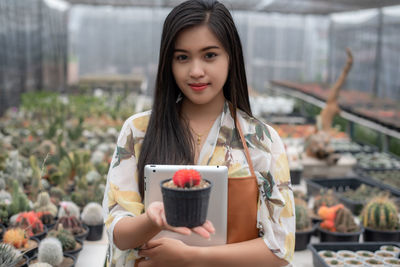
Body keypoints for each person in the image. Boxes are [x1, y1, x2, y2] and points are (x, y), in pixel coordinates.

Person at [102, 0, 295, 266]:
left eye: (209, 55)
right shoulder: (138, 132)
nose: (195, 71)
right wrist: (152, 220)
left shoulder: (261, 140)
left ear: (231, 58)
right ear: (168, 63)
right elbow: (118, 233)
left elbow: (279, 248)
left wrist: (191, 257)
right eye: (182, 57)